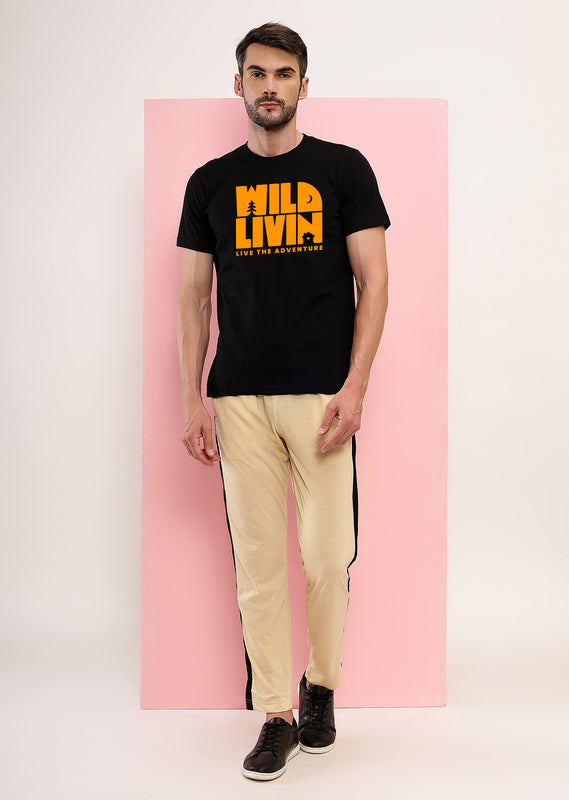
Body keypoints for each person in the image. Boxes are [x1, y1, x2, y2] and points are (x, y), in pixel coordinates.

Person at [176, 22, 390, 781]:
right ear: (238, 84)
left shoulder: (343, 169)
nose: (271, 87)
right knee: (260, 566)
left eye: (284, 74)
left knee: (328, 557)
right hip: (238, 397)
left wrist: (356, 386)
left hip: (322, 398)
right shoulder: (209, 183)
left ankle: (320, 685)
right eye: (258, 74)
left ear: (304, 84)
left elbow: (375, 282)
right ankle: (275, 714)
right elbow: (193, 297)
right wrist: (192, 398)